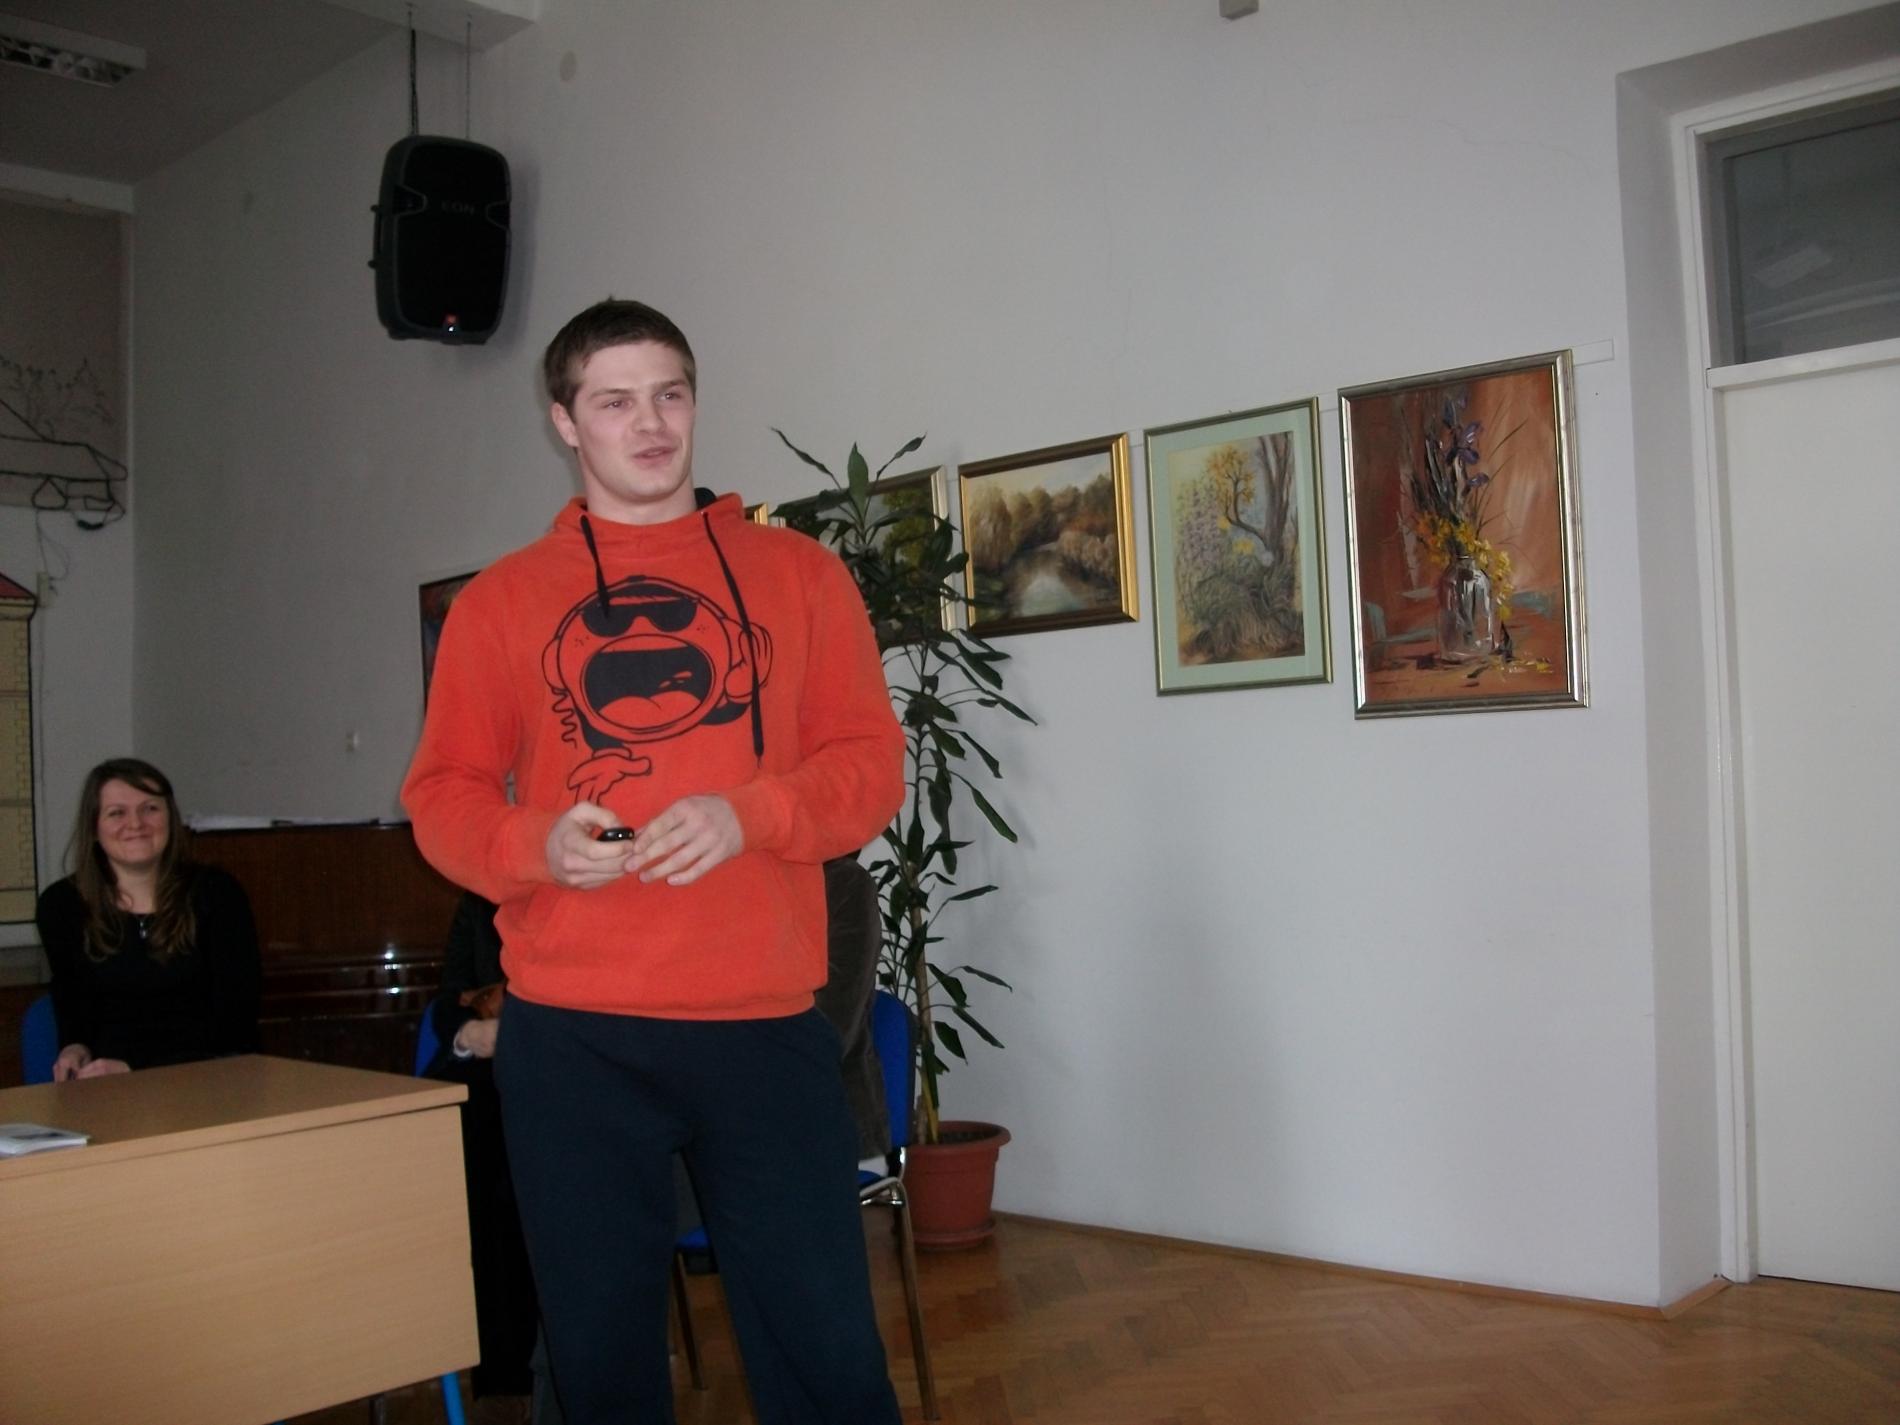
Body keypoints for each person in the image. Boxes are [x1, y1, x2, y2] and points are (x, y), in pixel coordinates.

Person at [401, 299, 907, 1425]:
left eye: (670, 394)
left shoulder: (799, 576)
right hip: (576, 1039)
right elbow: (441, 797)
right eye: (615, 401)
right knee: (600, 1368)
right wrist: (535, 845)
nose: (650, 423)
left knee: (829, 1355)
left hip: (765, 1026)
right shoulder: (500, 603)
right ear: (564, 421)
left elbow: (872, 766)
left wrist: (753, 814)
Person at [37, 757, 260, 1080]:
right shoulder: (61, 905)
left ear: (171, 818)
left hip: (208, 1080)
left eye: (150, 809)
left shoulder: (218, 894)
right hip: (106, 1088)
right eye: (117, 813)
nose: (136, 823)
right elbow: (73, 1001)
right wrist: (74, 1046)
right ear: (94, 828)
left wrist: (136, 1067)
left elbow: (236, 1024)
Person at [423, 892, 540, 1423]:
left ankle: (535, 1371)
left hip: (570, 1065)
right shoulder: (479, 900)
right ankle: (503, 1377)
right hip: (490, 1065)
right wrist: (471, 1029)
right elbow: (451, 999)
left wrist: (503, 1003)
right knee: (473, 1132)